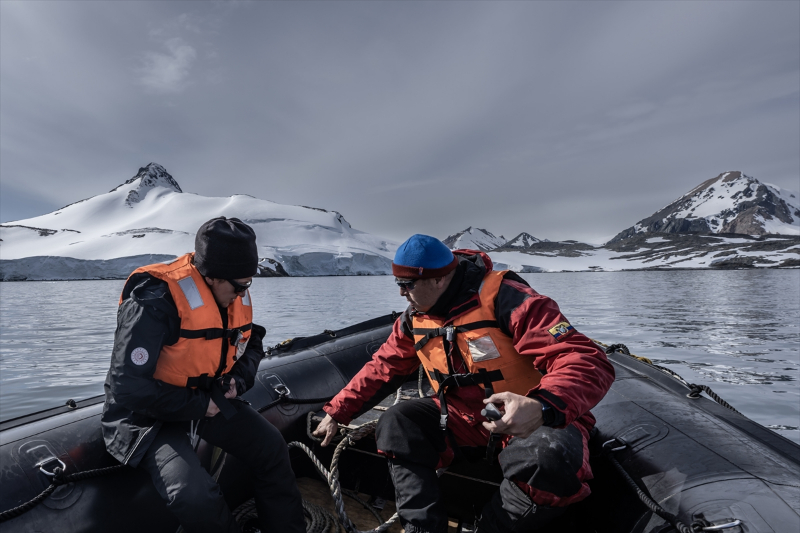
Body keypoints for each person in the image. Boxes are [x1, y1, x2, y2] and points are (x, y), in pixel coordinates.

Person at [313, 234, 615, 533]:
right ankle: (422, 528)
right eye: (399, 285)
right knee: (398, 421)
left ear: (439, 280)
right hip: (463, 418)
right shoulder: (414, 318)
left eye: (407, 285)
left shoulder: (509, 299)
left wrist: (542, 405)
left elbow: (583, 358)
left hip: (529, 417)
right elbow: (384, 366)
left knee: (550, 459)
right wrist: (339, 411)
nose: (402, 294)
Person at [101, 217, 304, 533]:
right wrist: (199, 405)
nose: (242, 294)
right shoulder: (154, 300)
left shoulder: (230, 294)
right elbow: (127, 388)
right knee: (194, 494)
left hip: (206, 397)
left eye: (247, 285)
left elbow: (253, 343)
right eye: (238, 287)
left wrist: (238, 380)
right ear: (211, 277)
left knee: (271, 448)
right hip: (147, 417)